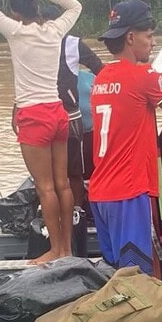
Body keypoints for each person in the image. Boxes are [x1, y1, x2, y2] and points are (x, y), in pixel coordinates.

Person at [90, 0, 162, 274]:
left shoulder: (102, 77)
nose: (153, 43)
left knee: (114, 274)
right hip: (128, 192)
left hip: (100, 194)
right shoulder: (144, 75)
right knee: (135, 278)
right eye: (150, 36)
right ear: (131, 37)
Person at [0, 0, 82, 264]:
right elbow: (76, 6)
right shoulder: (55, 30)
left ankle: (56, 250)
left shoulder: (16, 31)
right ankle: (68, 249)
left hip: (34, 117)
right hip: (59, 113)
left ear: (15, 14)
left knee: (44, 186)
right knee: (62, 184)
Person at [59, 35, 105, 216]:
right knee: (62, 173)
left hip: (86, 130)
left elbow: (101, 71)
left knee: (79, 171)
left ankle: (79, 209)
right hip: (61, 122)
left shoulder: (89, 77)